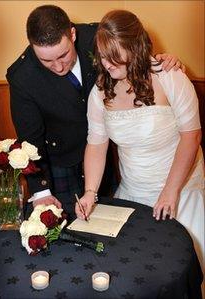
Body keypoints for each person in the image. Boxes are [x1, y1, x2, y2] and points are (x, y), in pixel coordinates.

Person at [6, 5, 184, 215]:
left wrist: (158, 60)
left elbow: (133, 48)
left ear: (72, 34)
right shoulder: (22, 76)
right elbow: (30, 141)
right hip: (59, 160)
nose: (58, 67)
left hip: (101, 150)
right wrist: (41, 190)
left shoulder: (97, 37)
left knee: (108, 219)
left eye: (63, 55)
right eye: (46, 60)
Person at [76, 10, 204, 271]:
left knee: (179, 265)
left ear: (135, 48)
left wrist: (170, 191)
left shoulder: (171, 78)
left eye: (113, 56)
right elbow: (97, 144)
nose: (106, 63)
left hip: (179, 188)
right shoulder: (100, 91)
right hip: (133, 190)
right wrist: (90, 192)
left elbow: (191, 137)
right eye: (102, 55)